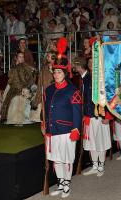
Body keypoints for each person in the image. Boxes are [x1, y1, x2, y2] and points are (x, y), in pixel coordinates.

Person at [42, 63, 82, 198]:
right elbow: (46, 111)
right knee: (56, 159)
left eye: (59, 72)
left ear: (65, 74)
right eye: (54, 72)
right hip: (52, 130)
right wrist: (44, 123)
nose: (56, 74)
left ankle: (66, 185)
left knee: (67, 159)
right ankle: (60, 183)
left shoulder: (73, 91)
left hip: (67, 131)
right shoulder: (48, 90)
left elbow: (77, 112)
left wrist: (76, 129)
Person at [72, 56, 112, 177]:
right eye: (89, 62)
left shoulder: (103, 78)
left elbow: (110, 98)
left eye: (93, 62)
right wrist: (83, 115)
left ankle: (101, 166)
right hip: (89, 116)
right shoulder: (86, 78)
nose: (90, 64)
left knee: (101, 142)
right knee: (91, 143)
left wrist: (108, 116)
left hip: (100, 116)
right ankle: (95, 165)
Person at [1, 51, 34, 125]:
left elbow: (30, 78)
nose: (21, 58)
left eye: (22, 57)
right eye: (20, 57)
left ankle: (23, 119)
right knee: (12, 101)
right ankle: (14, 119)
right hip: (14, 88)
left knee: (21, 101)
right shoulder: (14, 68)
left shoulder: (26, 67)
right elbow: (11, 78)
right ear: (16, 58)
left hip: (24, 88)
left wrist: (26, 87)